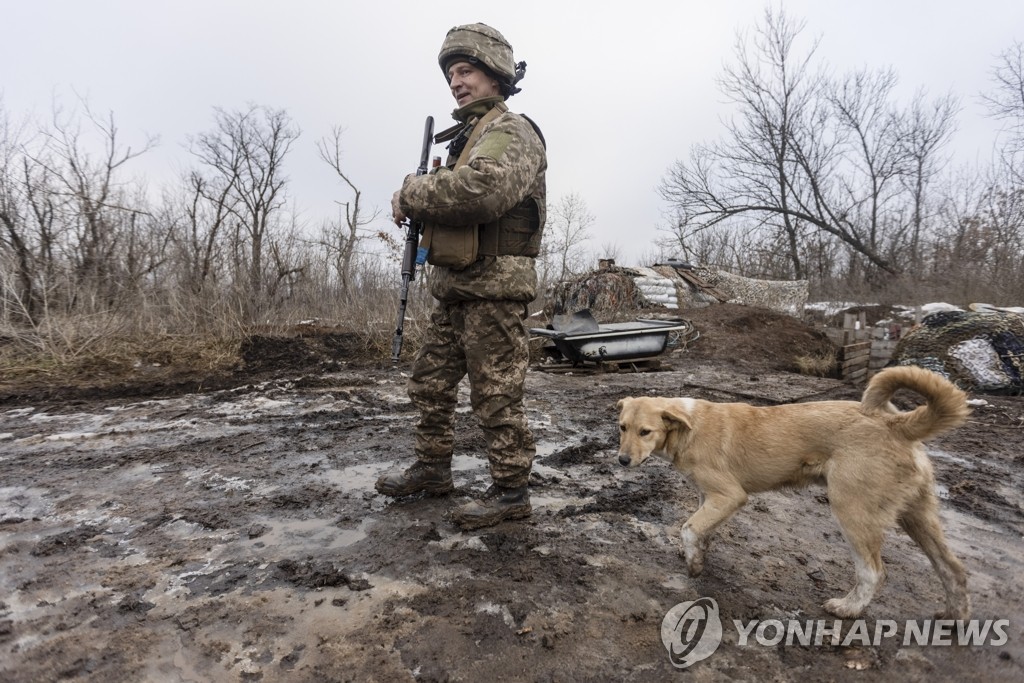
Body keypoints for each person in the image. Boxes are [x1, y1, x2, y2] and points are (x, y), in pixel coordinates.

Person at [375, 22, 547, 531]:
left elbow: (482, 192)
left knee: (496, 395)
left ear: (494, 74)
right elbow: (454, 198)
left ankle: (511, 490)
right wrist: (419, 201)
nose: (456, 82)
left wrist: (412, 191)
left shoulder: (511, 132)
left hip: (493, 293)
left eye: (466, 71)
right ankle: (432, 471)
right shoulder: (466, 140)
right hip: (455, 289)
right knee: (429, 386)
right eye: (452, 73)